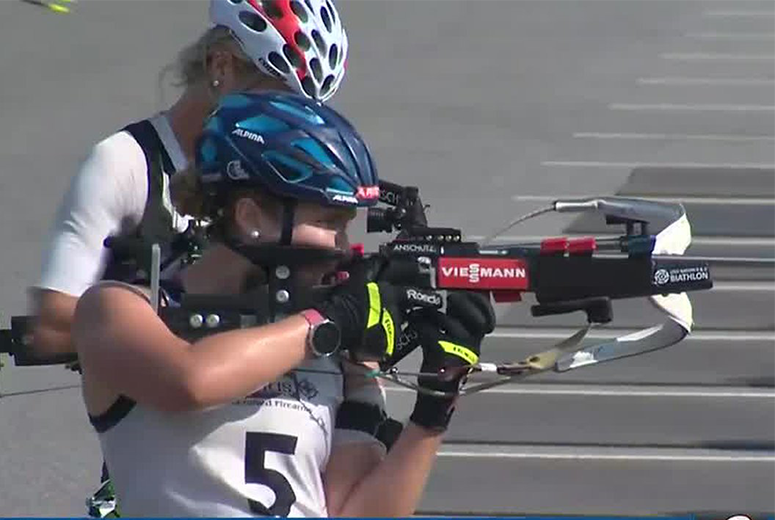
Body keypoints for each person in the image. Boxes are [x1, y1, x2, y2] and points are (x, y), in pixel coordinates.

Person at [72, 91, 496, 517]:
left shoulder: (330, 345)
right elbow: (191, 381)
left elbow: (357, 513)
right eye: (330, 222)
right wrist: (328, 321)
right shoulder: (117, 308)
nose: (344, 247)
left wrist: (435, 406)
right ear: (250, 216)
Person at [29, 0, 349, 359]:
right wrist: (191, 313)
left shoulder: (286, 170)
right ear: (221, 66)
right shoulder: (124, 163)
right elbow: (52, 325)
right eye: (279, 100)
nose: (294, 127)